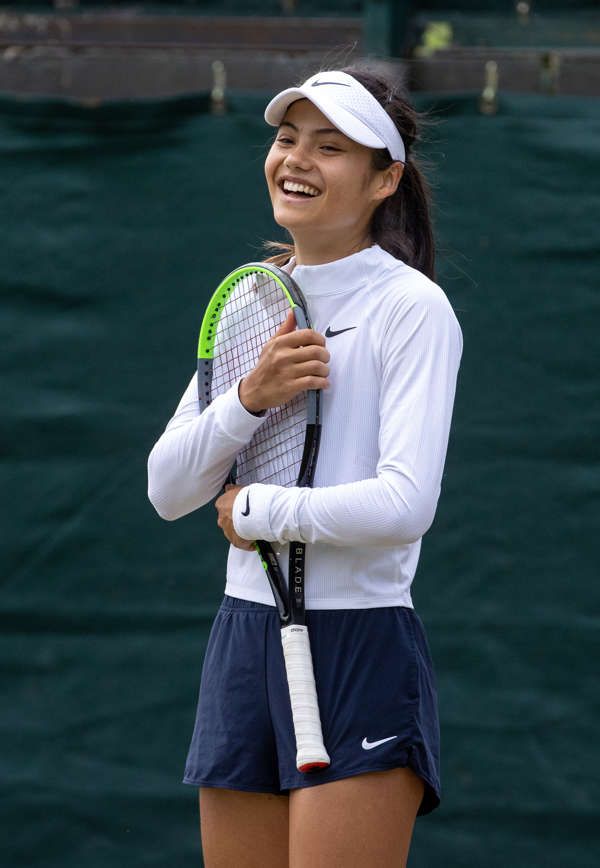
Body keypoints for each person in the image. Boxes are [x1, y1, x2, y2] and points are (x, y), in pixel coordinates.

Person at [148, 66, 463, 868]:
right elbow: (167, 489)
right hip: (243, 637)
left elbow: (405, 503)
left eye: (330, 146)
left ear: (385, 179)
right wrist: (249, 398)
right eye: (288, 139)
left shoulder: (411, 308)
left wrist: (257, 513)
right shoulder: (256, 302)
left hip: (360, 643)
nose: (296, 159)